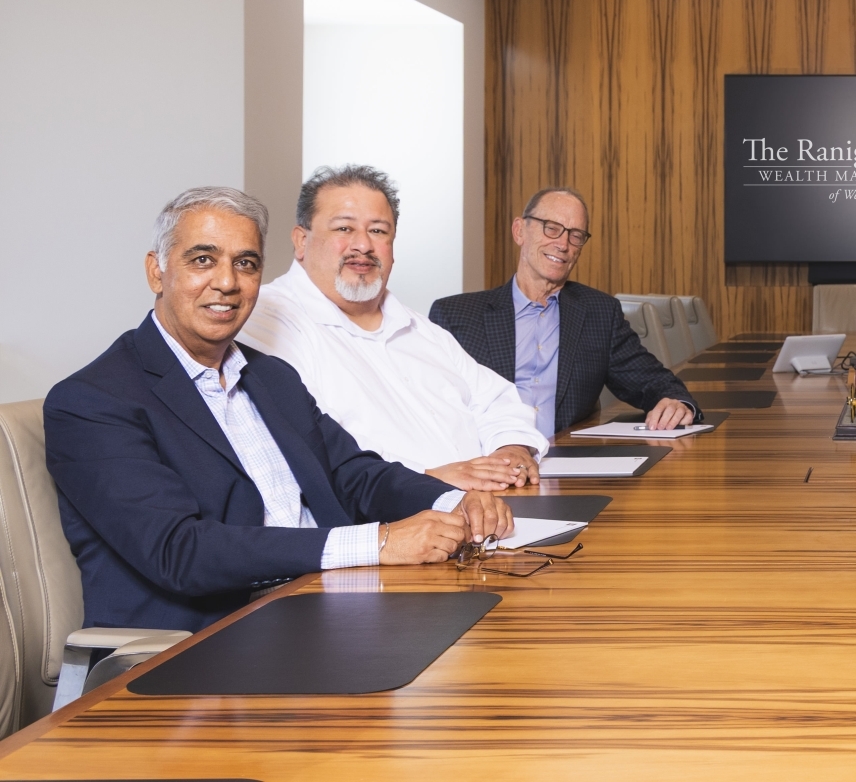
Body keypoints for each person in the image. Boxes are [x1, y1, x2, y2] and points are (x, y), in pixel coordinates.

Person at [44, 187, 512, 632]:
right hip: (206, 644)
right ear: (156, 272)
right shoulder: (93, 400)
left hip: (330, 607)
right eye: (203, 260)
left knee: (501, 629)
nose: (226, 282)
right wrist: (380, 542)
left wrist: (453, 501)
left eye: (245, 264)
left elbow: (353, 473)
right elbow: (180, 551)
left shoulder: (272, 377)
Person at [240, 165, 550, 491]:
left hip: (492, 507)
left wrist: (509, 450)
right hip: (391, 523)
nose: (363, 245)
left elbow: (493, 400)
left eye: (378, 231)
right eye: (344, 228)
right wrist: (427, 479)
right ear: (301, 241)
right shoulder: (268, 320)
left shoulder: (419, 328)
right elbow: (314, 446)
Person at [428, 187, 697, 438]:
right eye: (551, 228)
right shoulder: (456, 316)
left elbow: (653, 382)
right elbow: (429, 410)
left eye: (576, 235)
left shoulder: (599, 313)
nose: (563, 244)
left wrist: (674, 403)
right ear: (519, 231)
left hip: (566, 465)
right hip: (488, 465)